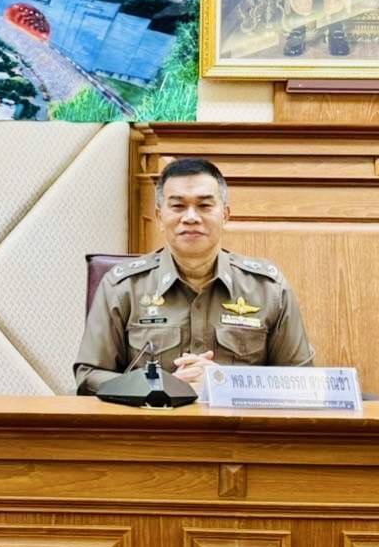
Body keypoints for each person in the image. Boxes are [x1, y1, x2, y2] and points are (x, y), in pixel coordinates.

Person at [74, 157, 313, 394]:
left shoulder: (268, 289)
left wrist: (226, 382)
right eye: (178, 206)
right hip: (154, 418)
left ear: (225, 215)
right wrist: (159, 386)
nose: (190, 217)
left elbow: (302, 380)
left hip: (236, 420)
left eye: (204, 205)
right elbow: (89, 375)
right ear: (159, 217)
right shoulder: (123, 287)